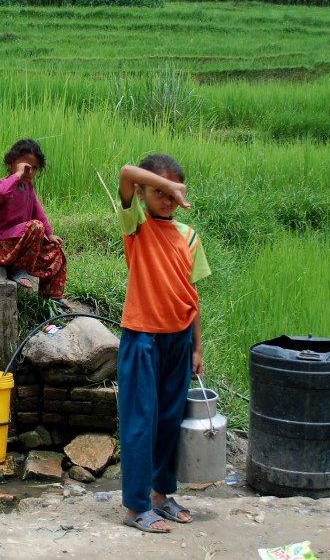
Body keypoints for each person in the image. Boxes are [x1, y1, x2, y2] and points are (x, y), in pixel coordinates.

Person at [116, 154, 211, 534]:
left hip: (179, 339)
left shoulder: (189, 236)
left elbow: (193, 295)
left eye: (173, 189)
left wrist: (197, 348)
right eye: (158, 190)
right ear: (142, 193)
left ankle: (160, 495)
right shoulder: (136, 226)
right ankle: (135, 506)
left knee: (169, 421)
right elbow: (125, 173)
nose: (167, 197)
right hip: (143, 337)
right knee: (141, 422)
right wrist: (164, 184)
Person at [0, 139, 70, 308]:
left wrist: (50, 234)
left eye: (34, 168)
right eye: (25, 166)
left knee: (56, 250)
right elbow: (1, 193)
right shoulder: (3, 184)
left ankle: (51, 296)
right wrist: (17, 175)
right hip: (1, 247)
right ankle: (19, 270)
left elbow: (38, 212)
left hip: (22, 247)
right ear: (11, 164)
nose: (29, 171)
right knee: (35, 226)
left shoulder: (28, 187)